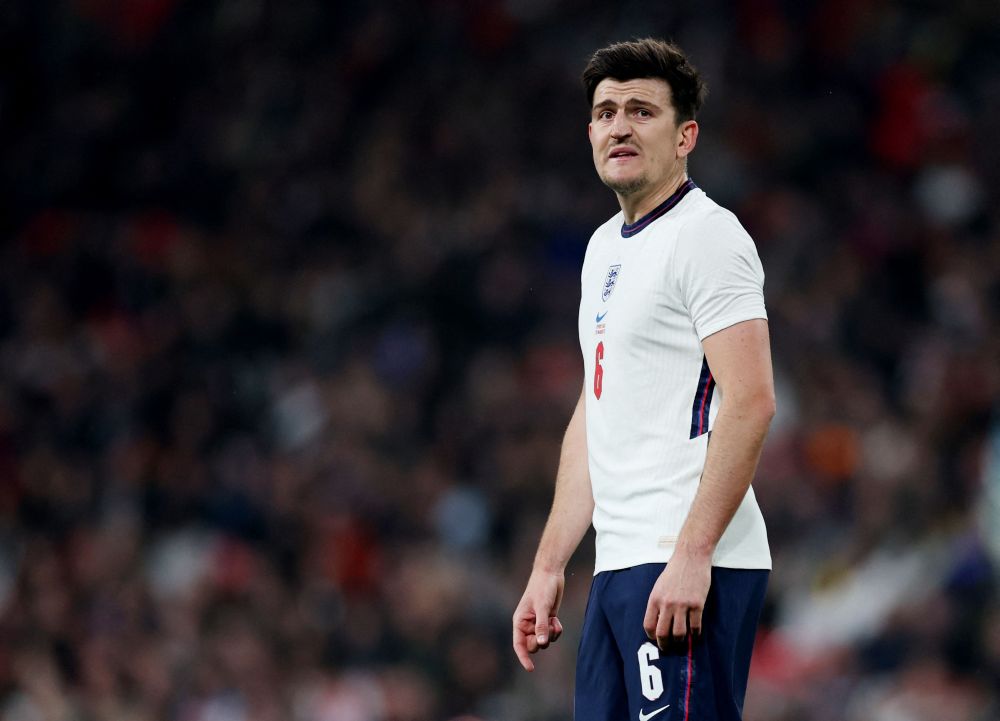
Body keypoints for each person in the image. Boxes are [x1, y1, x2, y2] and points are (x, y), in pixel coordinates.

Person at [512, 39, 776, 721]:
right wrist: (549, 565)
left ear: (685, 135)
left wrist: (693, 553)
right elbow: (596, 412)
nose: (618, 126)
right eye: (604, 112)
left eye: (640, 110)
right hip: (619, 564)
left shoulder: (707, 237)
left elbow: (750, 401)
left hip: (684, 558)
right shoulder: (603, 247)